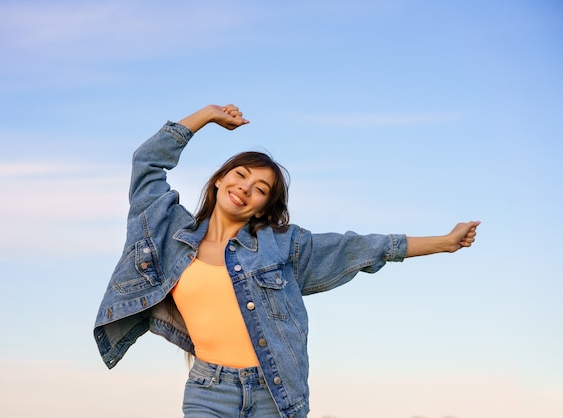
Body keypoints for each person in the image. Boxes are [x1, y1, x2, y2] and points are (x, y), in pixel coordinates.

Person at [93, 104, 480, 418]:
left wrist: (444, 243)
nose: (245, 188)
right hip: (208, 391)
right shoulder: (168, 231)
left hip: (274, 394)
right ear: (219, 180)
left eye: (259, 189)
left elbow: (362, 248)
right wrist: (208, 115)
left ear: (264, 207)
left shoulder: (283, 246)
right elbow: (147, 162)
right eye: (240, 175)